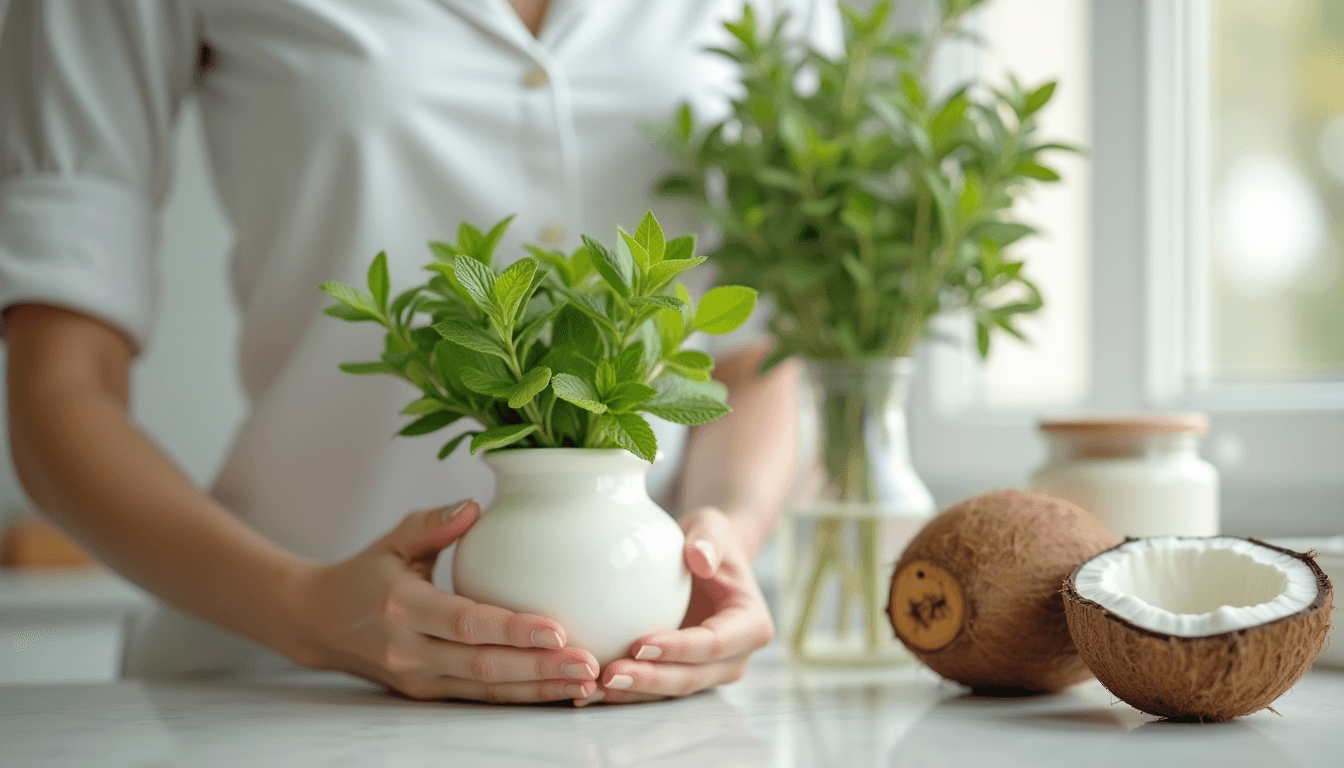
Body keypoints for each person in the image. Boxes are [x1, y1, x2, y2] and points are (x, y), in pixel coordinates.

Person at [0, 0, 839, 705]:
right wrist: (306, 608)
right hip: (273, 688)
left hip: (641, 683)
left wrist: (723, 539)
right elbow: (59, 389)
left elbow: (753, 358)